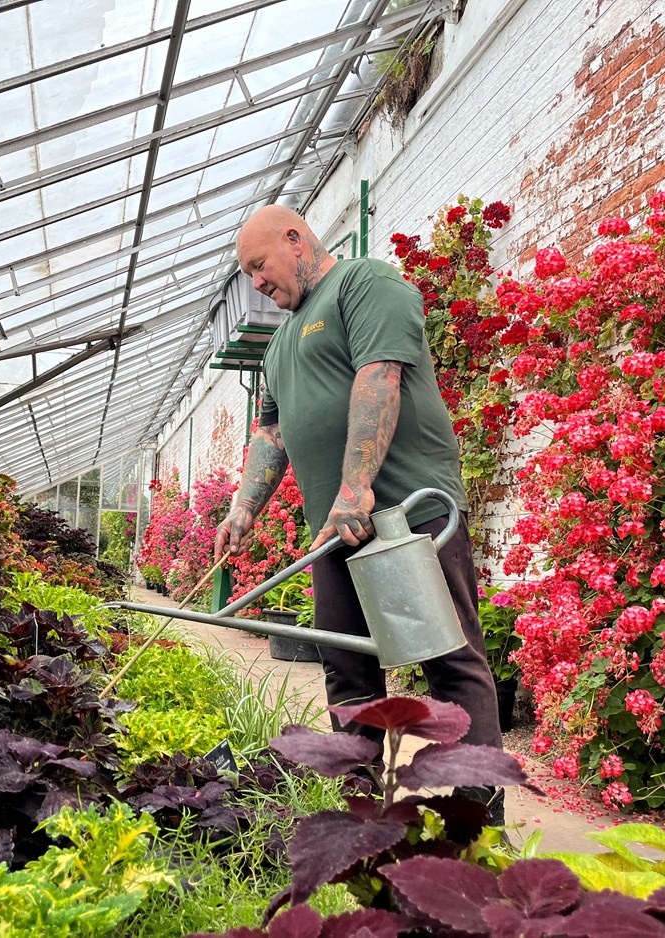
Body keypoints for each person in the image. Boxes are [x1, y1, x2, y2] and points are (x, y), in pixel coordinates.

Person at [214, 204, 505, 823]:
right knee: (346, 670)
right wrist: (242, 510)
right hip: (336, 529)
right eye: (248, 275)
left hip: (405, 513)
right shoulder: (280, 342)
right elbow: (272, 432)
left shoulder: (365, 283)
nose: (257, 283)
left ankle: (480, 822)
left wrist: (356, 487)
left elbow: (381, 376)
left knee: (448, 659)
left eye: (259, 266)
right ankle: (361, 821)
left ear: (296, 240)